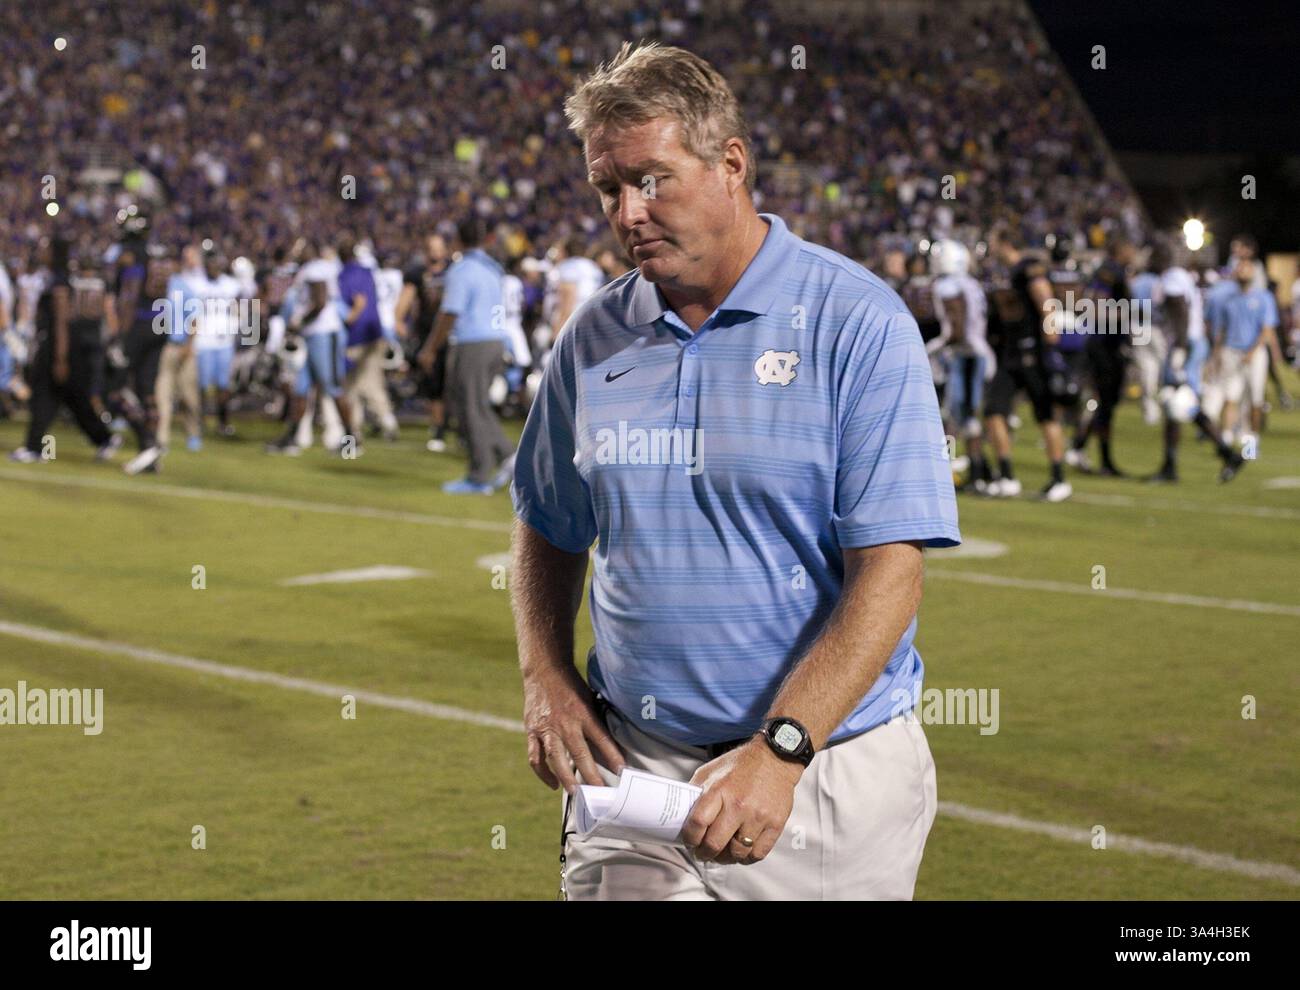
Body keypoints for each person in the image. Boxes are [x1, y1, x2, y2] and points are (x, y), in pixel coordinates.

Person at [511, 41, 959, 901]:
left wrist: (782, 751)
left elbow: (891, 573)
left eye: (652, 178)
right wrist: (546, 677)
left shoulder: (855, 321)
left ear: (731, 163)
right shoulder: (592, 337)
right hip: (633, 769)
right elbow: (546, 521)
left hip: (823, 772)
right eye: (608, 187)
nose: (628, 210)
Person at [420, 218, 515, 494]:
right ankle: (508, 456)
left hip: (471, 343)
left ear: (458, 241)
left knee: (468, 409)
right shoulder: (492, 268)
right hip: (496, 341)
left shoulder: (461, 270)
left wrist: (430, 348)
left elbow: (450, 313)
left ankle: (480, 475)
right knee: (478, 406)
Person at [9, 238, 120, 464]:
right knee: (69, 400)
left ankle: (37, 447)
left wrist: (60, 358)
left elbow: (61, 321)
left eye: (46, 248)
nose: (41, 252)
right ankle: (102, 439)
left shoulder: (59, 281)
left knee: (56, 396)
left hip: (60, 349)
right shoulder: (58, 278)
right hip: (65, 348)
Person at [985, 226, 1072, 501]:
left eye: (994, 241)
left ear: (1004, 242)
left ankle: (1059, 478)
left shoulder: (1028, 268)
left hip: (1034, 353)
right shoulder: (1005, 274)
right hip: (1011, 354)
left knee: (1045, 414)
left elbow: (1046, 302)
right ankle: (1007, 475)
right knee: (993, 411)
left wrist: (1051, 344)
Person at [1148, 242, 1242, 482]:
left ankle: (1226, 453)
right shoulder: (1179, 276)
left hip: (1185, 345)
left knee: (1179, 402)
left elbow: (1180, 312)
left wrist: (1179, 351)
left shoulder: (1171, 278)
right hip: (1189, 344)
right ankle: (1171, 466)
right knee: (1175, 405)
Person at [1203, 256, 1276, 470]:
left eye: (1247, 268)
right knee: (1230, 397)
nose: (1243, 272)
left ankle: (1251, 446)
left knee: (1255, 400)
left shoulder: (1263, 298)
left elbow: (1267, 329)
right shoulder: (1228, 299)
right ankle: (1225, 443)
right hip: (1231, 352)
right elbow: (1221, 331)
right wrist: (1215, 356)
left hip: (1254, 353)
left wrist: (1253, 351)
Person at [155, 244, 203, 452]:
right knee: (162, 395)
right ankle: (161, 439)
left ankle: (193, 433)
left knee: (188, 396)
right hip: (166, 346)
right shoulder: (158, 286)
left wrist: (189, 345)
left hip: (183, 346)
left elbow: (194, 319)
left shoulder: (184, 287)